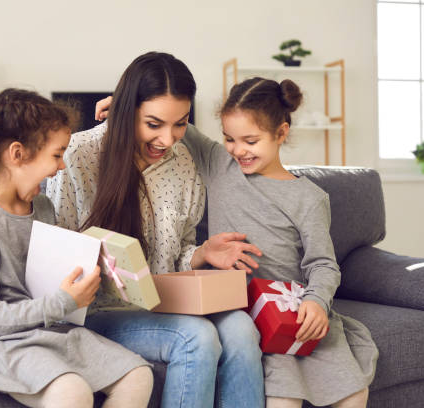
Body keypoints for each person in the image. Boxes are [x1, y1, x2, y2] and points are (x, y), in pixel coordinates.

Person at [47, 52, 265, 408]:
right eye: (154, 124)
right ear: (126, 111)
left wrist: (201, 254)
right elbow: (54, 252)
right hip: (97, 311)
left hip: (166, 301)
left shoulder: (183, 164)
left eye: (180, 124)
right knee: (197, 337)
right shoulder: (75, 156)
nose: (168, 139)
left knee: (241, 329)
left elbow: (177, 251)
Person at [173, 77, 379, 408]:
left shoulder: (309, 198)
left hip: (294, 308)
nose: (238, 150)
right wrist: (127, 107)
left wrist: (316, 302)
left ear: (281, 133)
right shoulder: (219, 165)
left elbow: (322, 263)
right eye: (229, 139)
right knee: (283, 397)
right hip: (246, 310)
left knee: (354, 392)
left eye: (250, 141)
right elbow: (177, 124)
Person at [0, 88, 153, 408]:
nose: (62, 167)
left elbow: (48, 272)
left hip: (43, 327)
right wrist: (63, 302)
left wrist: (92, 264)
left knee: (138, 375)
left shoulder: (41, 207)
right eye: (56, 155)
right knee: (72, 391)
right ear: (17, 154)